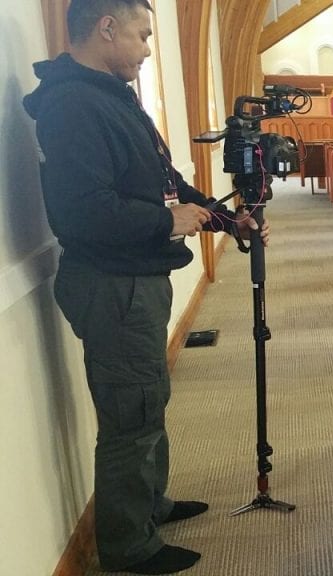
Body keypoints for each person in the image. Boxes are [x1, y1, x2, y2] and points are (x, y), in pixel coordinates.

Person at [23, 0, 269, 573]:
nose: (148, 48)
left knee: (148, 397)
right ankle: (129, 548)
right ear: (106, 28)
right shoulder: (73, 105)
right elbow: (83, 212)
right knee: (130, 415)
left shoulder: (110, 95)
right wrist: (166, 221)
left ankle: (150, 505)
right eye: (142, 35)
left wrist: (225, 218)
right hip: (114, 284)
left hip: (133, 279)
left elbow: (166, 181)